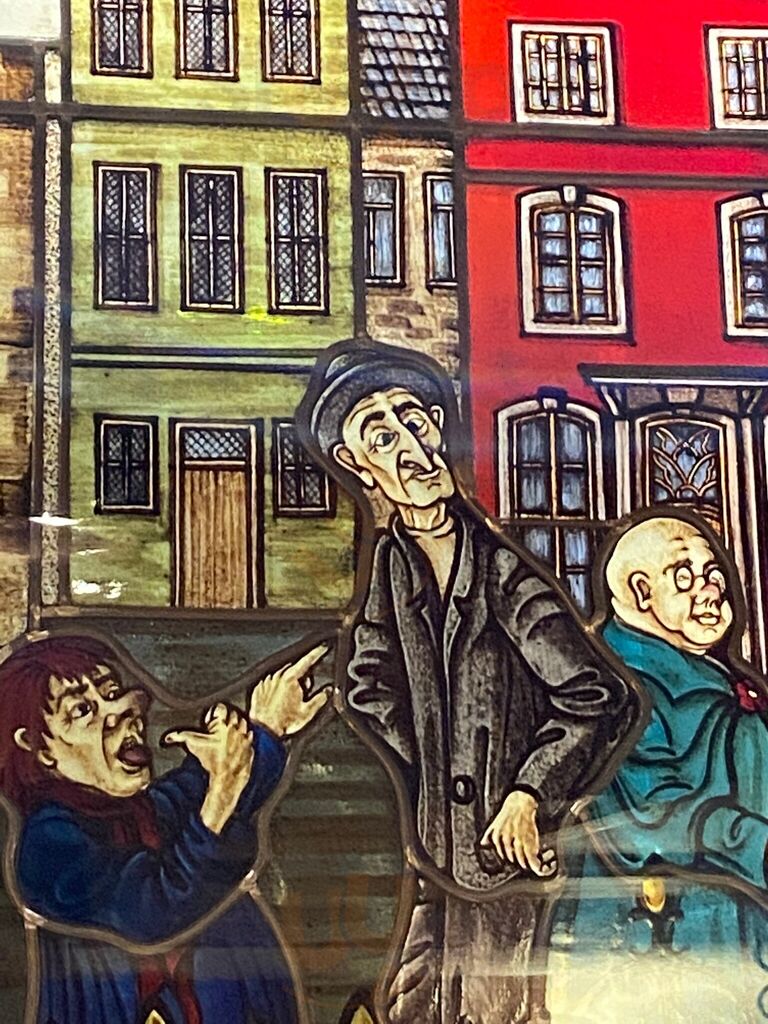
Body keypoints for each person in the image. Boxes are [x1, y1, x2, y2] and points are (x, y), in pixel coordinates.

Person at [298, 339, 640, 1024]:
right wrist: (430, 762)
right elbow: (368, 680)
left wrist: (527, 793)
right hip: (436, 858)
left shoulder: (499, 572)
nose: (411, 448)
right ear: (356, 464)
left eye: (413, 419)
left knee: (496, 1011)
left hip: (504, 862)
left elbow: (596, 697)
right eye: (380, 435)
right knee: (411, 1008)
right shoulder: (392, 564)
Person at [0, 633, 329, 1024]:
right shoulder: (49, 843)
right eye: (83, 710)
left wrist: (264, 728)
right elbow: (154, 910)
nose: (124, 709)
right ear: (38, 747)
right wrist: (222, 790)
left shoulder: (143, 811)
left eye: (112, 692)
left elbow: (204, 790)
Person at [549, 513, 768, 1022]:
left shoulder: (710, 674)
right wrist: (758, 845)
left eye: (713, 573)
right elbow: (653, 812)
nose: (711, 590)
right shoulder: (616, 689)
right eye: (684, 576)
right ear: (642, 593)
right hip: (666, 941)